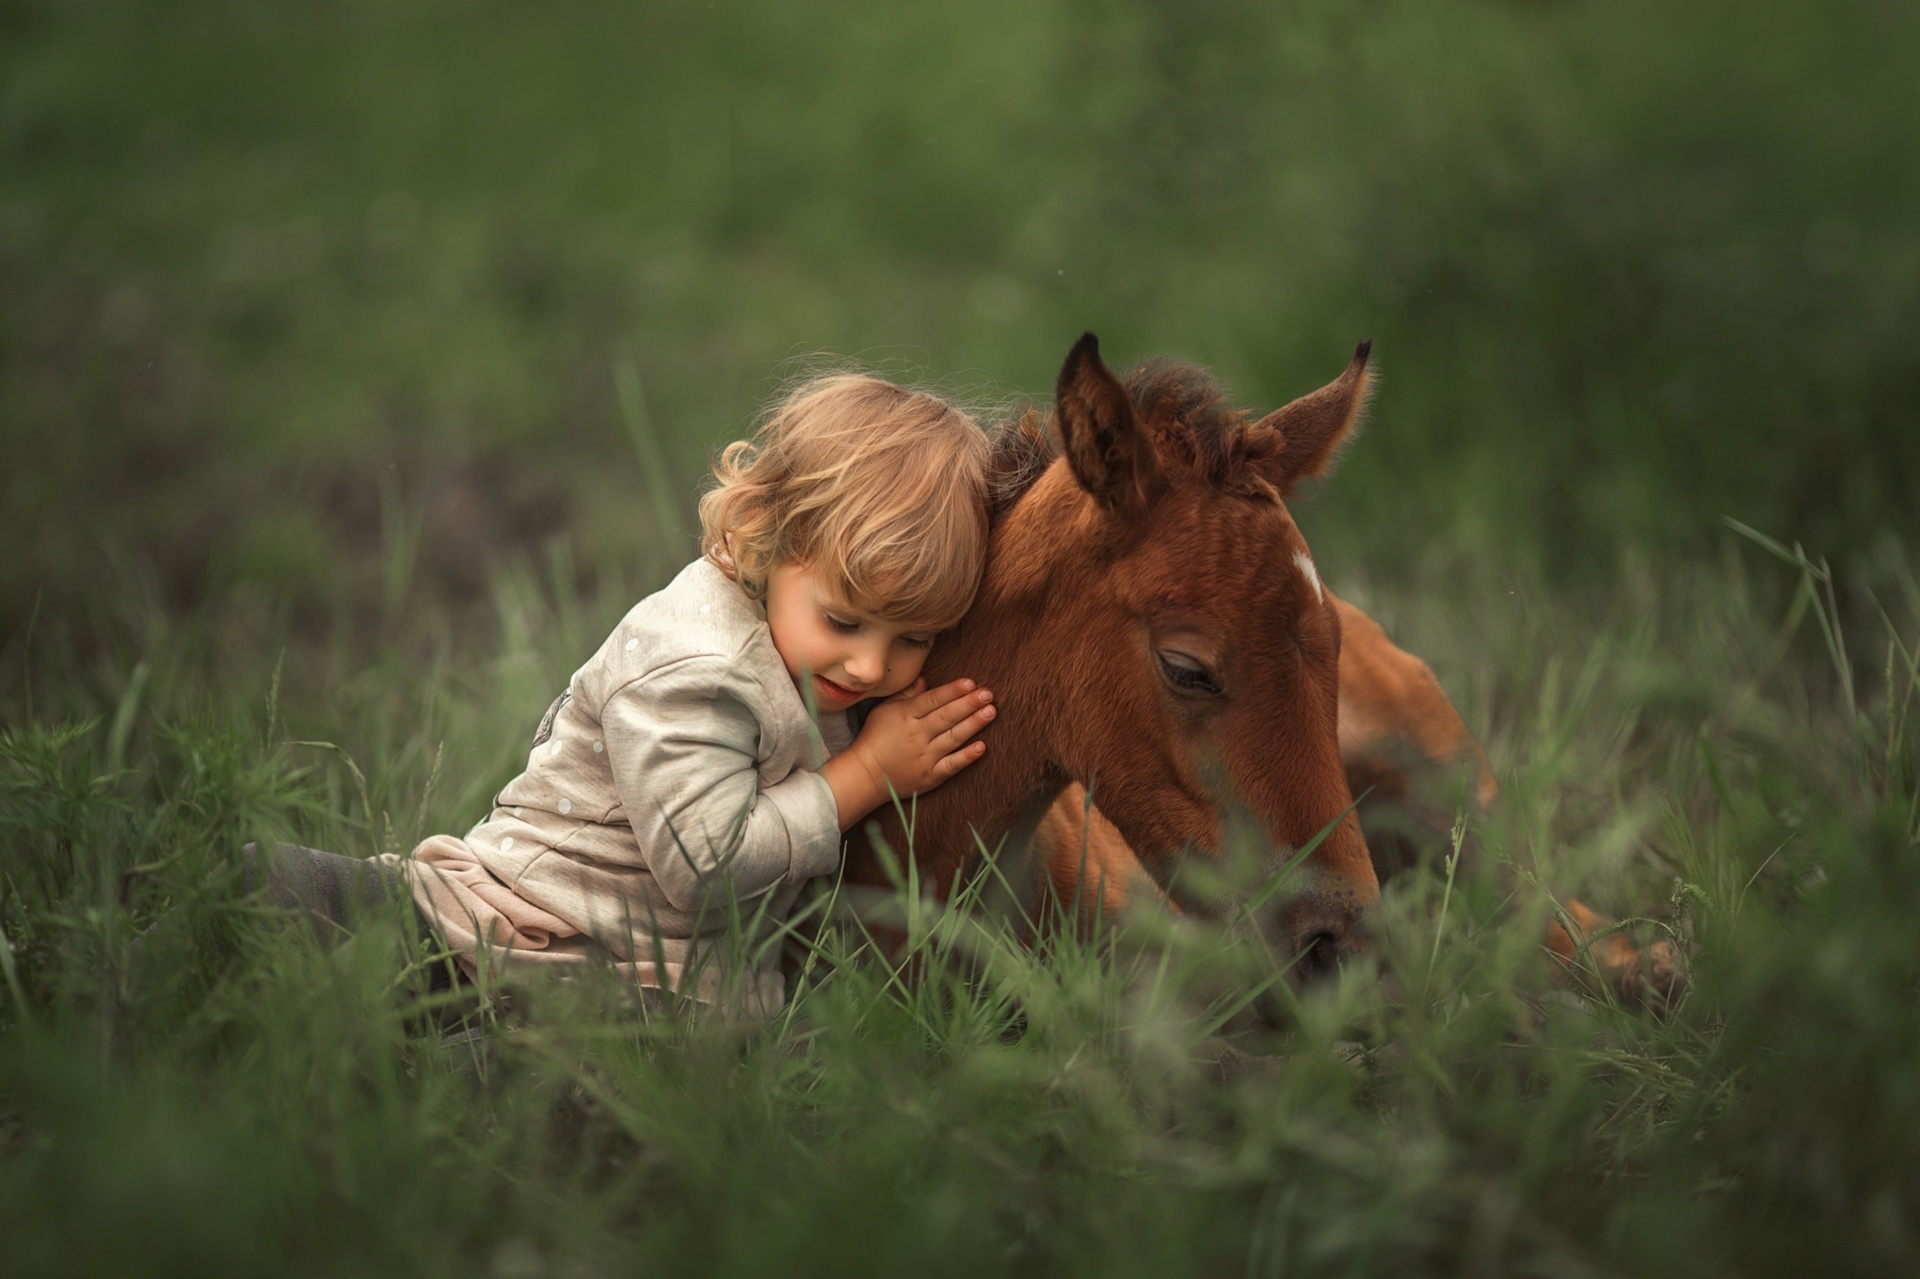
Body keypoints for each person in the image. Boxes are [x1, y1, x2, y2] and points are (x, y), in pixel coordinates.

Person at [254, 372, 997, 1019]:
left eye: (914, 638)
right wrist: (865, 775)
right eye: (844, 620)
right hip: (507, 918)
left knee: (538, 1081)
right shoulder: (698, 666)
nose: (871, 666)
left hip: (642, 982)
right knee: (288, 901)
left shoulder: (815, 658)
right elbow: (704, 864)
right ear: (765, 536)